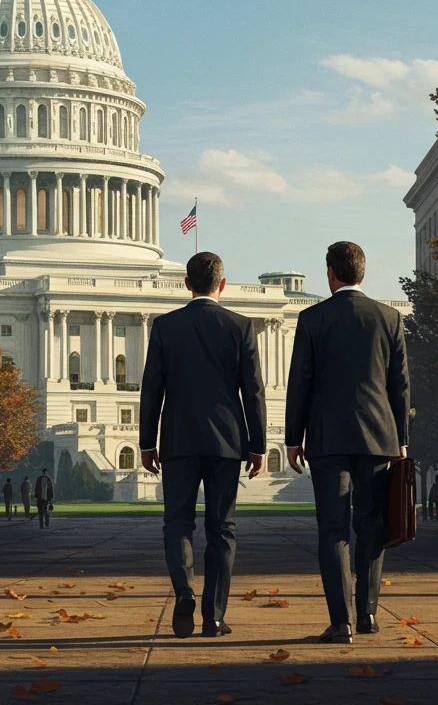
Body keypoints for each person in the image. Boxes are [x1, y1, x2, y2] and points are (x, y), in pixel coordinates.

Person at [285, 241, 409, 645]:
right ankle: (369, 613)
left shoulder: (312, 318)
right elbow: (399, 387)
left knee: (333, 530)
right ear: (362, 273)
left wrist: (292, 438)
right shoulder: (389, 317)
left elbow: (299, 383)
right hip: (377, 437)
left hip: (327, 437)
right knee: (370, 527)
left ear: (330, 274)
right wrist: (401, 441)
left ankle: (341, 622)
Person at [140, 251, 266, 639]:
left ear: (187, 284)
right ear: (222, 285)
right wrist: (257, 445)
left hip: (177, 440)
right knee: (222, 529)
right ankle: (213, 617)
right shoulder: (241, 326)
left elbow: (152, 390)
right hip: (226, 443)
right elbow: (254, 392)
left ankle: (183, 592)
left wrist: (147, 442)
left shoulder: (165, 326)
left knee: (177, 523)